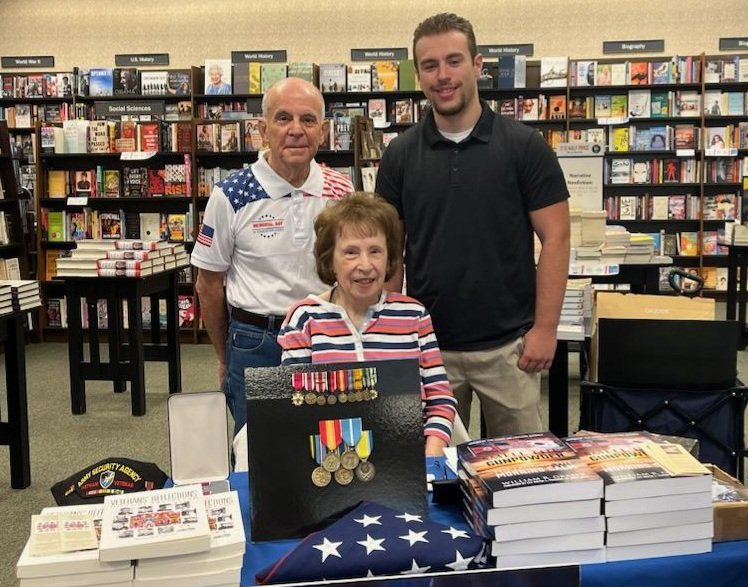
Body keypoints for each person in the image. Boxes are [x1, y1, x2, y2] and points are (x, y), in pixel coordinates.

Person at [375, 12, 570, 438]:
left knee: (519, 475)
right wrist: (388, 336)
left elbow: (556, 238)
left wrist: (545, 328)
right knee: (432, 474)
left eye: (453, 61)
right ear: (418, 74)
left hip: (511, 348)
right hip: (428, 347)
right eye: (430, 65)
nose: (442, 76)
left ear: (477, 64)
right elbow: (388, 252)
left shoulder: (525, 147)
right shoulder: (399, 156)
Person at [191, 78, 354, 435]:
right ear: (263, 130)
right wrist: (224, 356)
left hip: (325, 338)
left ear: (323, 131)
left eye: (308, 120)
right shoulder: (230, 195)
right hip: (257, 343)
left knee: (327, 445)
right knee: (259, 458)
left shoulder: (342, 190)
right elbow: (209, 285)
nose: (296, 130)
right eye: (283, 119)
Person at [278, 192, 456, 456]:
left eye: (375, 251)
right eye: (351, 252)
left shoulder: (413, 316)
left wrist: (429, 461)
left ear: (389, 258)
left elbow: (440, 401)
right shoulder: (305, 318)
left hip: (408, 463)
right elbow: (291, 407)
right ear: (330, 260)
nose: (365, 265)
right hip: (329, 463)